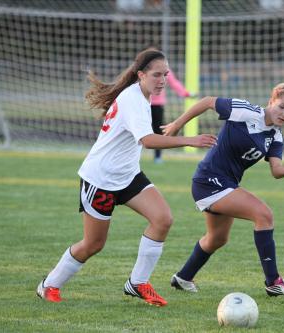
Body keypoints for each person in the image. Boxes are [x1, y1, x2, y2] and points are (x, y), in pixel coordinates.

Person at [36, 48, 217, 306]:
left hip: (128, 175)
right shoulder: (132, 99)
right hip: (100, 179)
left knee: (162, 219)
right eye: (157, 75)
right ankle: (49, 285)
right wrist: (191, 140)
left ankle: (137, 283)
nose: (163, 80)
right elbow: (148, 140)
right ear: (141, 75)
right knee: (93, 244)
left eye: (165, 74)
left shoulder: (142, 95)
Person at [162, 83, 284, 296]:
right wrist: (176, 125)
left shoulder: (275, 135)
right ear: (271, 101)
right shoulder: (246, 111)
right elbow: (207, 102)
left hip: (226, 184)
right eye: (281, 107)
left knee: (217, 238)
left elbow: (276, 171)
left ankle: (183, 277)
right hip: (208, 180)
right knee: (264, 214)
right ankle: (274, 282)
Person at [150, 71, 194, 164]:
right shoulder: (145, 69)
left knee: (157, 130)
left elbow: (174, 83)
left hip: (157, 105)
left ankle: (158, 156)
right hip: (142, 103)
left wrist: (185, 93)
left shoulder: (166, 71)